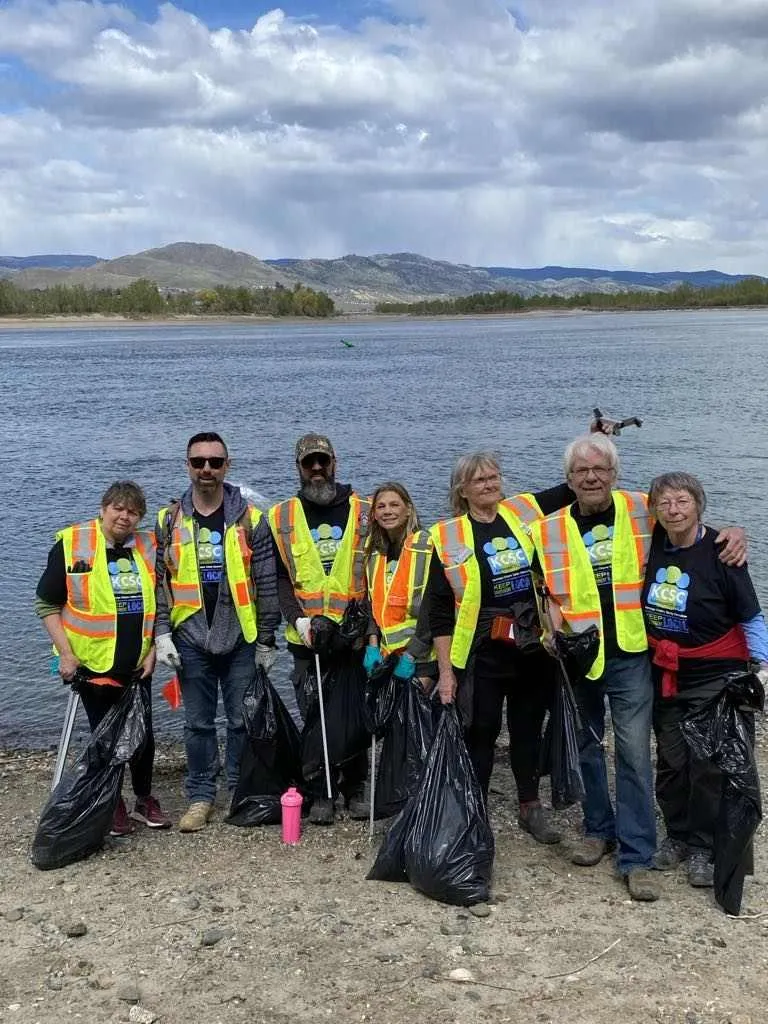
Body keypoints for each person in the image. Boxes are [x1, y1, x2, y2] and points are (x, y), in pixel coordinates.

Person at [530, 434, 746, 902]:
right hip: (580, 657)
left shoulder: (640, 510)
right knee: (588, 747)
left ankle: (637, 855)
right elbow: (541, 589)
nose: (591, 478)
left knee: (632, 754)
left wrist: (734, 533)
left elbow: (688, 523)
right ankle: (597, 828)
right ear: (568, 479)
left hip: (631, 653)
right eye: (582, 471)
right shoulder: (545, 530)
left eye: (600, 469)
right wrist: (550, 629)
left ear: (614, 474)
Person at [427, 452, 576, 845]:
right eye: (480, 480)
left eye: (494, 477)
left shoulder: (522, 512)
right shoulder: (447, 536)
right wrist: (445, 673)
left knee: (528, 728)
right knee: (481, 729)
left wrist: (594, 438)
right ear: (463, 489)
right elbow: (439, 613)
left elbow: (568, 489)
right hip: (482, 650)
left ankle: (530, 805)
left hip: (530, 645)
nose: (490, 484)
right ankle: (475, 810)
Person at [643, 472, 768, 887]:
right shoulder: (651, 545)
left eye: (682, 501)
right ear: (654, 511)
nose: (673, 510)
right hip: (665, 672)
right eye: (664, 503)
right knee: (672, 760)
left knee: (708, 765)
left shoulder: (722, 551)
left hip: (715, 675)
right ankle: (676, 835)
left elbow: (750, 615)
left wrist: (761, 668)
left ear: (698, 505)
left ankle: (702, 846)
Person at [154, 432, 279, 832]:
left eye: (214, 461)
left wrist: (266, 638)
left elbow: (267, 582)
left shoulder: (251, 518)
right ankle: (200, 797)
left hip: (240, 638)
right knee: (198, 724)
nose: (206, 469)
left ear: (228, 465)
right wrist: (161, 634)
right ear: (187, 466)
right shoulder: (168, 519)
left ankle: (239, 790)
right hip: (190, 639)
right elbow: (160, 582)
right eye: (198, 462)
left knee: (242, 720)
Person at [36, 480, 169, 836]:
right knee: (105, 738)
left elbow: (160, 604)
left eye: (133, 511)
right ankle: (113, 803)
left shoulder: (147, 546)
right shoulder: (73, 543)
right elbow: (47, 604)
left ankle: (144, 799)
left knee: (142, 737)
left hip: (138, 665)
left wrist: (155, 649)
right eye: (118, 509)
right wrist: (65, 655)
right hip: (90, 664)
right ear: (103, 508)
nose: (125, 517)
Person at [268, 433, 371, 825]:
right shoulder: (281, 517)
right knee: (315, 715)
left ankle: (355, 787)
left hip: (353, 636)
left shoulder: (364, 510)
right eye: (308, 462)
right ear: (298, 467)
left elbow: (377, 569)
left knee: (356, 712)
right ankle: (322, 790)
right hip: (306, 639)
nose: (316, 469)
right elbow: (277, 577)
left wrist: (366, 627)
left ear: (334, 463)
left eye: (322, 462)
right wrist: (297, 618)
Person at [363, 482, 435, 687]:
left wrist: (412, 654)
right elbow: (371, 602)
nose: (387, 511)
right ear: (374, 514)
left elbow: (435, 607)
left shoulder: (426, 546)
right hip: (386, 656)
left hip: (422, 658)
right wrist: (372, 644)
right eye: (381, 506)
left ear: (408, 509)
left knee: (414, 716)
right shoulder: (374, 551)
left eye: (394, 505)